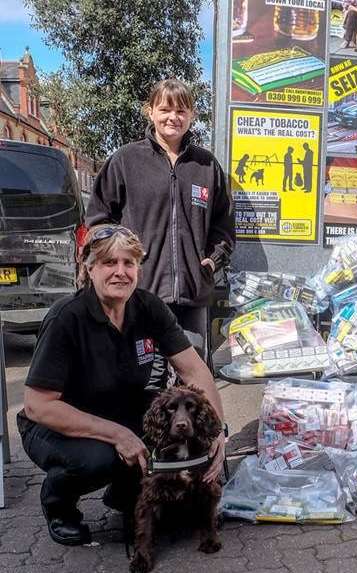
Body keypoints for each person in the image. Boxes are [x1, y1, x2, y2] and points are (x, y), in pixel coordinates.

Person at [17, 225, 226, 546]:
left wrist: (216, 433)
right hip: (55, 426)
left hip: (121, 415)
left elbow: (195, 371)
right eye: (109, 263)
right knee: (99, 458)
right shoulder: (67, 318)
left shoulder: (148, 307)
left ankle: (124, 492)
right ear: (89, 267)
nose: (120, 272)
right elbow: (38, 405)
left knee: (170, 435)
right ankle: (59, 502)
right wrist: (118, 435)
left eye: (128, 263)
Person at [87, 78, 234, 367]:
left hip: (192, 296)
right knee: (139, 379)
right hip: (138, 294)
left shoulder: (206, 166)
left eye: (181, 111)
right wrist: (120, 264)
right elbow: (98, 219)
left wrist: (212, 261)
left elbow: (224, 225)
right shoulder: (126, 161)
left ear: (191, 116)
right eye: (165, 109)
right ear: (150, 111)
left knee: (191, 382)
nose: (173, 118)